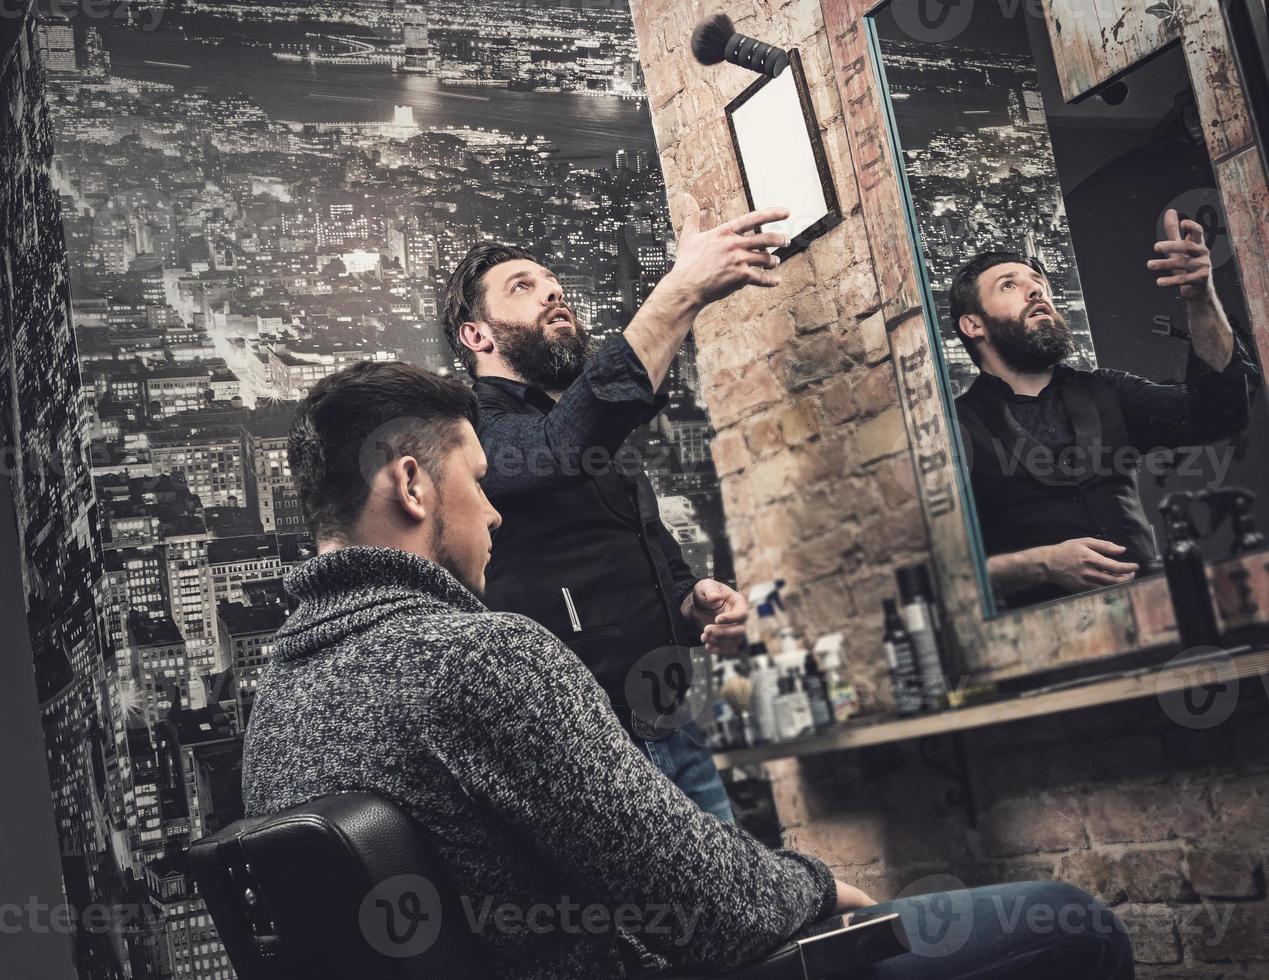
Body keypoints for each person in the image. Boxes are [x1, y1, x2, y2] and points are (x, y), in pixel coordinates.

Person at [240, 361, 1134, 979]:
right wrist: (819, 886)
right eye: (480, 481)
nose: (497, 516)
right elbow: (715, 910)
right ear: (412, 484)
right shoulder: (480, 655)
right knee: (1073, 925)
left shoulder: (271, 708)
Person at [439, 194, 776, 822]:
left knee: (738, 917)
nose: (551, 294)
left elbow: (646, 552)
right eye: (523, 286)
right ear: (476, 335)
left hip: (674, 726)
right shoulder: (471, 428)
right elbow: (555, 452)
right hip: (593, 754)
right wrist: (680, 292)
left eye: (554, 284)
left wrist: (690, 597)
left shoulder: (592, 435)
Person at [951, 209, 1258, 607]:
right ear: (973, 325)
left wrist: (1200, 298)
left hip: (1158, 615)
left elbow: (1219, 412)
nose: (1036, 292)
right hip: (1043, 642)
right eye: (1008, 286)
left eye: (1039, 284)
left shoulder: (1108, 389)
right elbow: (941, 578)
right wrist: (1040, 564)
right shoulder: (952, 429)